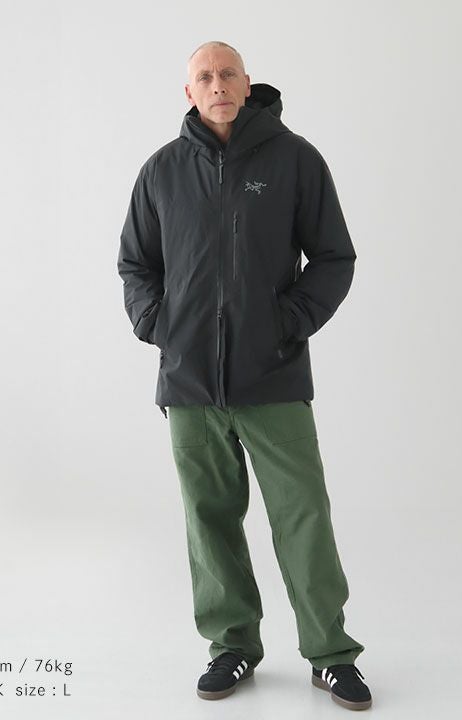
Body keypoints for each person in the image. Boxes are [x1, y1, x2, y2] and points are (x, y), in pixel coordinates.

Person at [118, 40, 372, 711]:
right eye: (204, 76)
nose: (217, 84)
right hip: (190, 384)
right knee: (210, 522)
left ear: (247, 82)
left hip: (274, 377)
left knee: (302, 517)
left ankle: (330, 654)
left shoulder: (295, 160)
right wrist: (161, 326)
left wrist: (287, 322)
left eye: (227, 73)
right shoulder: (162, 171)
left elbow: (334, 258)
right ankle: (231, 645)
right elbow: (136, 264)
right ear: (189, 92)